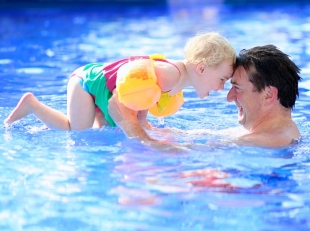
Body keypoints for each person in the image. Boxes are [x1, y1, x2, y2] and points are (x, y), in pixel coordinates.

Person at [3, 32, 236, 131]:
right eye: (223, 79)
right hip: (89, 84)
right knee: (75, 130)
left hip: (102, 85)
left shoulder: (177, 80)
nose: (222, 87)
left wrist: (146, 127)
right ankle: (33, 105)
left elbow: (139, 101)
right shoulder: (169, 75)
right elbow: (131, 102)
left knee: (104, 130)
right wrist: (145, 134)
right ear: (202, 68)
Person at [108, 45, 302, 147]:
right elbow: (195, 139)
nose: (229, 97)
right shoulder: (267, 134)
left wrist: (128, 125)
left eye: (237, 88)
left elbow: (173, 156)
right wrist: (144, 126)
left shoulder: (260, 142)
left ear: (268, 95)